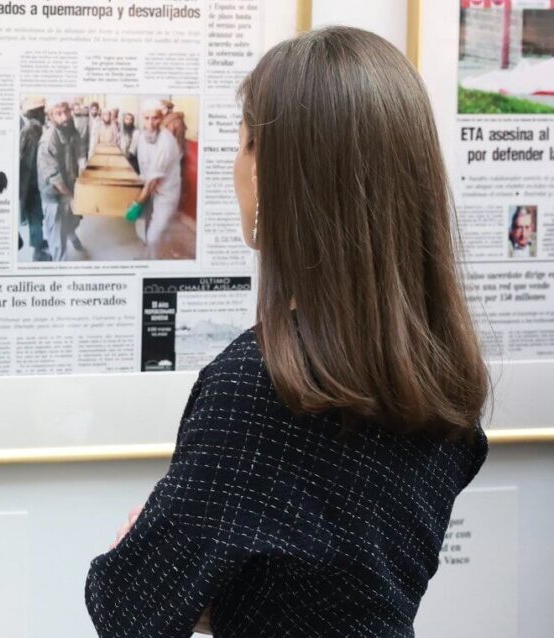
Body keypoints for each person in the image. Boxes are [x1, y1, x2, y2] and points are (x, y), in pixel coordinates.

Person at [86, 27, 489, 637]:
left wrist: (160, 549)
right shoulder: (439, 381)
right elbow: (334, 588)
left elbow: (127, 604)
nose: (233, 167)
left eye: (245, 145)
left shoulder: (258, 389)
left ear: (281, 177)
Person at [131, 99, 182, 259]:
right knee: (144, 229)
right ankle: (148, 258)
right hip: (150, 189)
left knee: (154, 235)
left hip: (166, 194)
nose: (151, 123)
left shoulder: (166, 142)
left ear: (162, 118)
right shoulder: (141, 137)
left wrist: (136, 204)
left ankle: (154, 266)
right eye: (147, 118)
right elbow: (144, 167)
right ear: (142, 118)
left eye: (155, 118)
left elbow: (153, 180)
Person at [37, 97, 83, 260]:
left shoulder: (69, 130)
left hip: (68, 188)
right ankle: (59, 267)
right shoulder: (49, 139)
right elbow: (54, 178)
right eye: (59, 114)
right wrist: (70, 197)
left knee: (71, 220)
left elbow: (77, 155)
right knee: (57, 241)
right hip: (54, 196)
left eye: (66, 112)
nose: (64, 117)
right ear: (51, 116)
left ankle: (72, 235)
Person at [19, 97, 49, 261]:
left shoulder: (36, 128)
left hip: (36, 181)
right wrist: (33, 185)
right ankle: (37, 252)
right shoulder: (30, 130)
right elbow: (27, 162)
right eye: (42, 111)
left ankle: (38, 241)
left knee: (37, 215)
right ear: (36, 112)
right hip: (31, 183)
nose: (44, 114)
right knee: (35, 216)